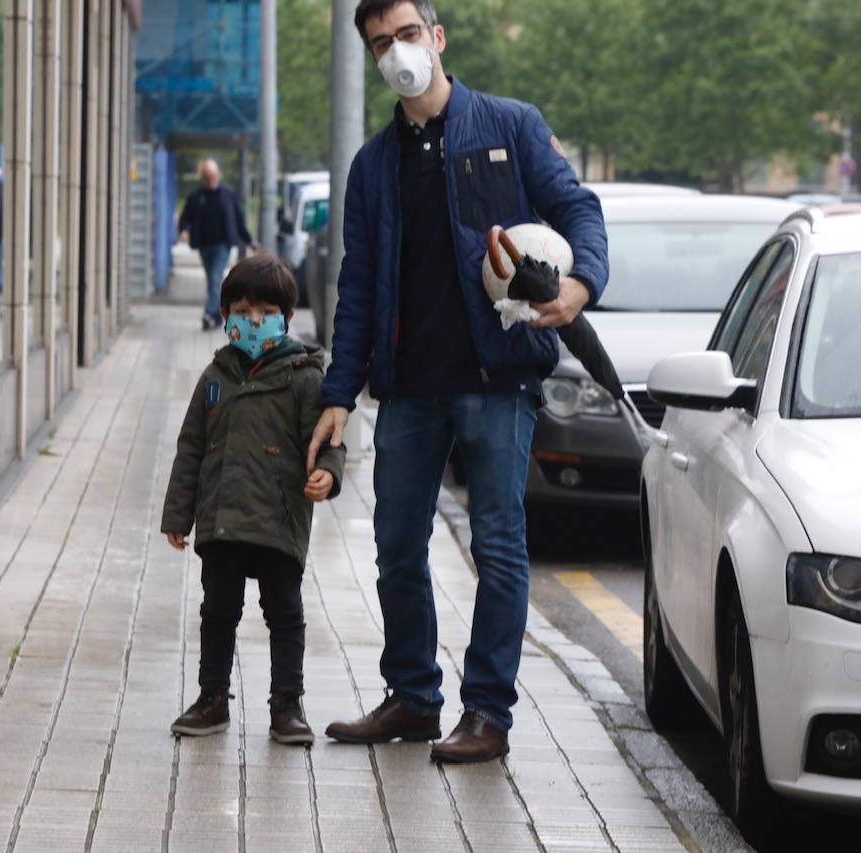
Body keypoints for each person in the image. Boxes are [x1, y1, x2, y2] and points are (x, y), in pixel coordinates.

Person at [307, 0, 608, 763]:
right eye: (381, 44)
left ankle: (488, 713)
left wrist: (581, 287)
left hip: (497, 374)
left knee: (498, 543)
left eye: (407, 35)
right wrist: (339, 393)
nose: (397, 52)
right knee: (396, 544)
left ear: (437, 39)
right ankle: (413, 696)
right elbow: (359, 284)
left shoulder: (507, 126)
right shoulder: (375, 165)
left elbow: (578, 207)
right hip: (408, 384)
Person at [162, 254, 345, 745]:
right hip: (221, 518)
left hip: (278, 519)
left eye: (266, 312)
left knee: (284, 613)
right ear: (225, 316)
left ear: (288, 317)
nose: (254, 322)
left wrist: (327, 473)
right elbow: (191, 447)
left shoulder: (304, 378)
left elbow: (328, 441)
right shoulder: (215, 375)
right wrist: (178, 514)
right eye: (243, 311)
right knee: (217, 611)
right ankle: (212, 698)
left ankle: (287, 704)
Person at [177, 159, 259, 330]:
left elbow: (239, 219)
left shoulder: (228, 194)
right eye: (206, 177)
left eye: (212, 176)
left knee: (215, 279)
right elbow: (185, 217)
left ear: (218, 175)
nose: (210, 180)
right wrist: (184, 231)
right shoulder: (197, 196)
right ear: (202, 177)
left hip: (223, 245)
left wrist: (250, 240)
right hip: (204, 244)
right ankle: (217, 316)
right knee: (212, 281)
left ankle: (208, 314)